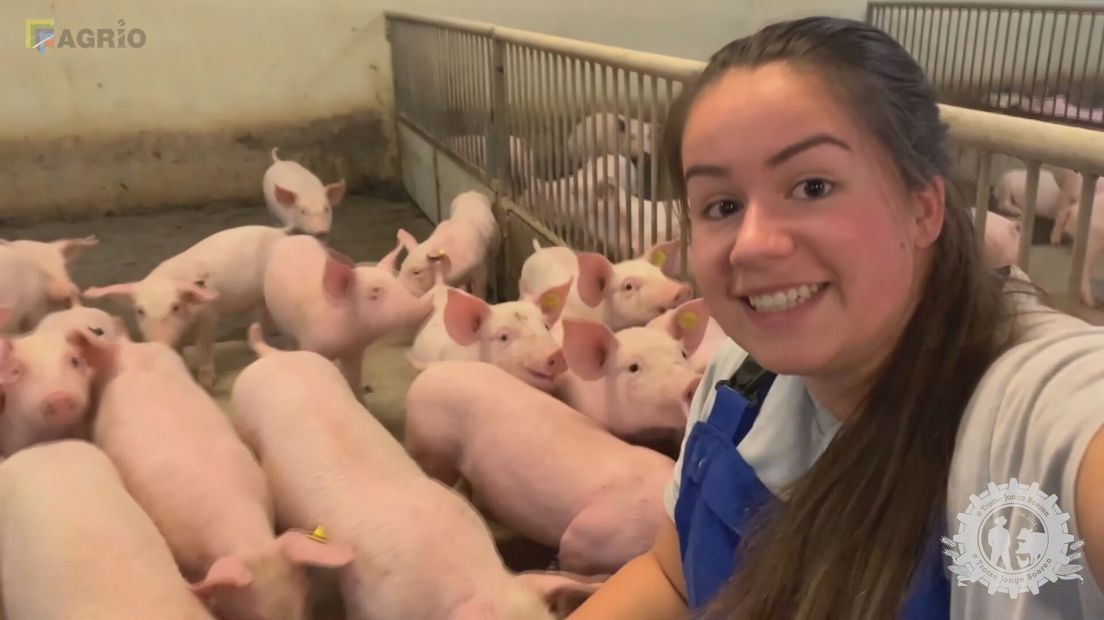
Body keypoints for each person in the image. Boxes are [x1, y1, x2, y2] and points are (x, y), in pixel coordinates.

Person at [568, 15, 1104, 620]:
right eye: (722, 205)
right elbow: (669, 576)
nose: (752, 244)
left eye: (813, 187)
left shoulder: (1029, 412)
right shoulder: (738, 382)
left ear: (923, 209)